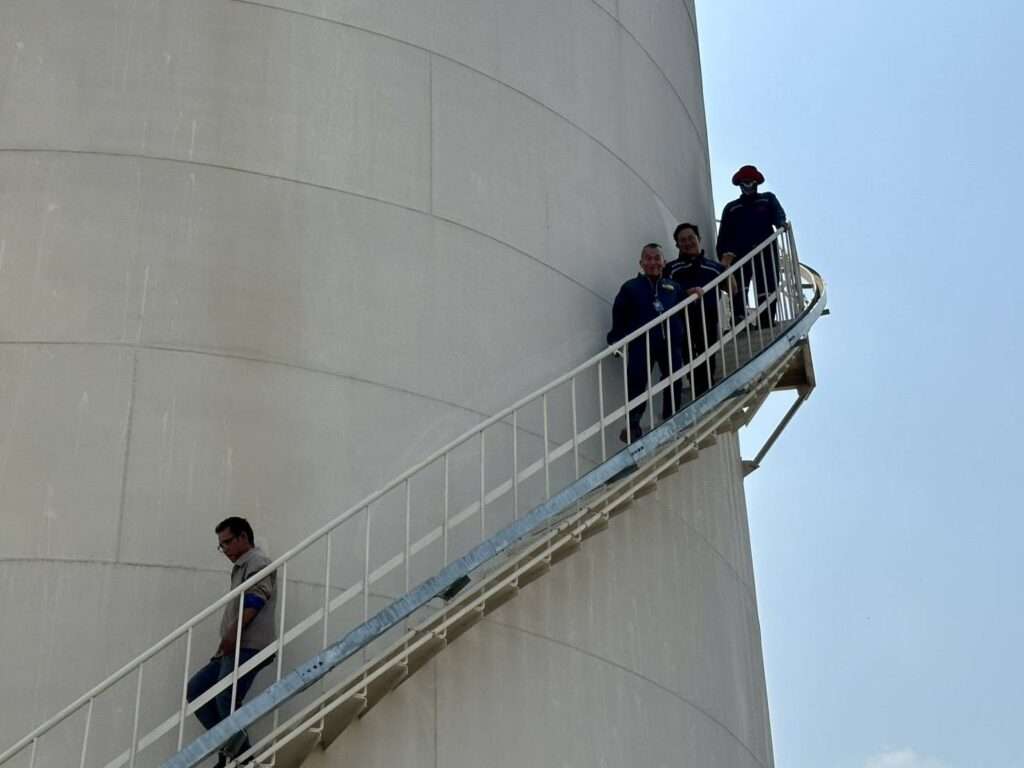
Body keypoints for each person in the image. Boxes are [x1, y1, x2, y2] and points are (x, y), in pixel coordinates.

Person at [186, 517, 276, 767]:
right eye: (221, 545)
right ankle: (230, 752)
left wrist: (232, 635)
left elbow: (257, 598)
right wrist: (225, 644)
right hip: (233, 646)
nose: (224, 549)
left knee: (225, 698)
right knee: (197, 690)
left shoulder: (257, 562)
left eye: (227, 542)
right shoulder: (241, 566)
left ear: (243, 537)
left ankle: (243, 760)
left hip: (248, 645)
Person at [607, 243, 686, 443]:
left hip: (669, 341)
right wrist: (615, 339)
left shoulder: (673, 287)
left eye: (657, 258)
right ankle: (633, 424)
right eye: (648, 258)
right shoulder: (630, 287)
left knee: (674, 378)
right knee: (636, 381)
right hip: (641, 342)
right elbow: (619, 314)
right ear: (641, 263)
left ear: (664, 262)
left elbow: (684, 308)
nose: (653, 262)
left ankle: (671, 418)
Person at [716, 165, 787, 326]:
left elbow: (778, 215)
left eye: (750, 181)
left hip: (765, 250)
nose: (747, 185)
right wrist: (723, 256)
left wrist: (781, 223)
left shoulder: (767, 199)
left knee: (768, 284)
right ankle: (739, 319)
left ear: (756, 182)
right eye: (744, 182)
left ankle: (766, 319)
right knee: (739, 287)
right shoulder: (732, 208)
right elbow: (724, 235)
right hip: (739, 253)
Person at [665, 223, 727, 398]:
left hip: (709, 321)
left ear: (699, 239)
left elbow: (732, 288)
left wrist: (728, 271)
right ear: (677, 245)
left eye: (691, 238)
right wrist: (685, 293)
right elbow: (665, 293)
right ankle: (702, 395)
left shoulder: (714, 267)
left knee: (708, 359)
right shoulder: (671, 268)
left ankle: (706, 393)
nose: (688, 243)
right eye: (682, 240)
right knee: (690, 360)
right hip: (683, 322)